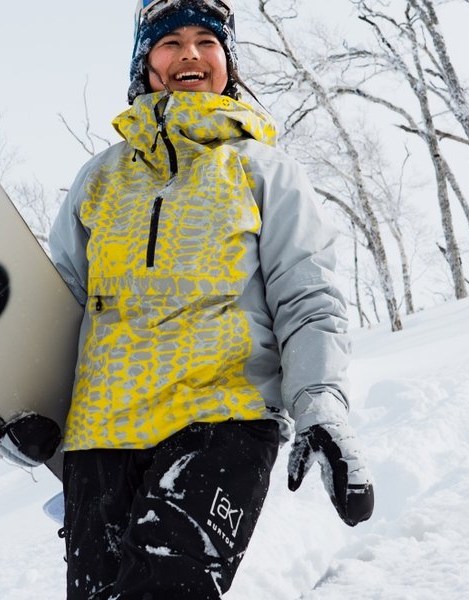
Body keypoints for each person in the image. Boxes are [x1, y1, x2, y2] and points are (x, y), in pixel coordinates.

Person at [39, 1, 375, 597]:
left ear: (227, 62)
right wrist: (2, 396)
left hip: (223, 416)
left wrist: (319, 399)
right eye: (169, 42)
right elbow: (54, 310)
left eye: (205, 40)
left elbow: (308, 297)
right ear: (146, 63)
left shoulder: (261, 170)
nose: (189, 54)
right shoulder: (99, 179)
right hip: (100, 437)